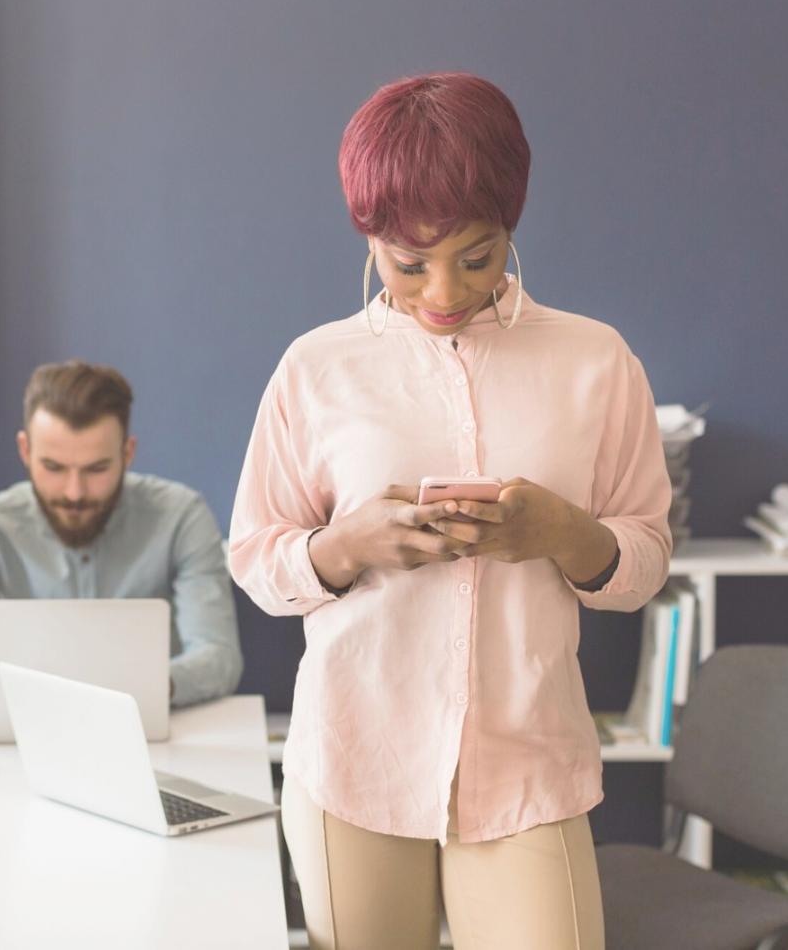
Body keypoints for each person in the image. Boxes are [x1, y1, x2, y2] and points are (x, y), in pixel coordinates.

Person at [229, 73, 672, 949]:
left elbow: (644, 560)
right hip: (353, 755)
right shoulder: (316, 369)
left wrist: (562, 535)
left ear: (512, 227)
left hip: (526, 763)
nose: (443, 290)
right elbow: (256, 558)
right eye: (408, 262)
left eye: (478, 255)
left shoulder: (596, 361)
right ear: (369, 238)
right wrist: (341, 548)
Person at [0, 359, 242, 707]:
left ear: (127, 453)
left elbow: (219, 658)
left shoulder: (181, 518)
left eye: (96, 469)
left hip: (154, 731)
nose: (74, 493)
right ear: (25, 450)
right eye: (53, 467)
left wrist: (140, 690)